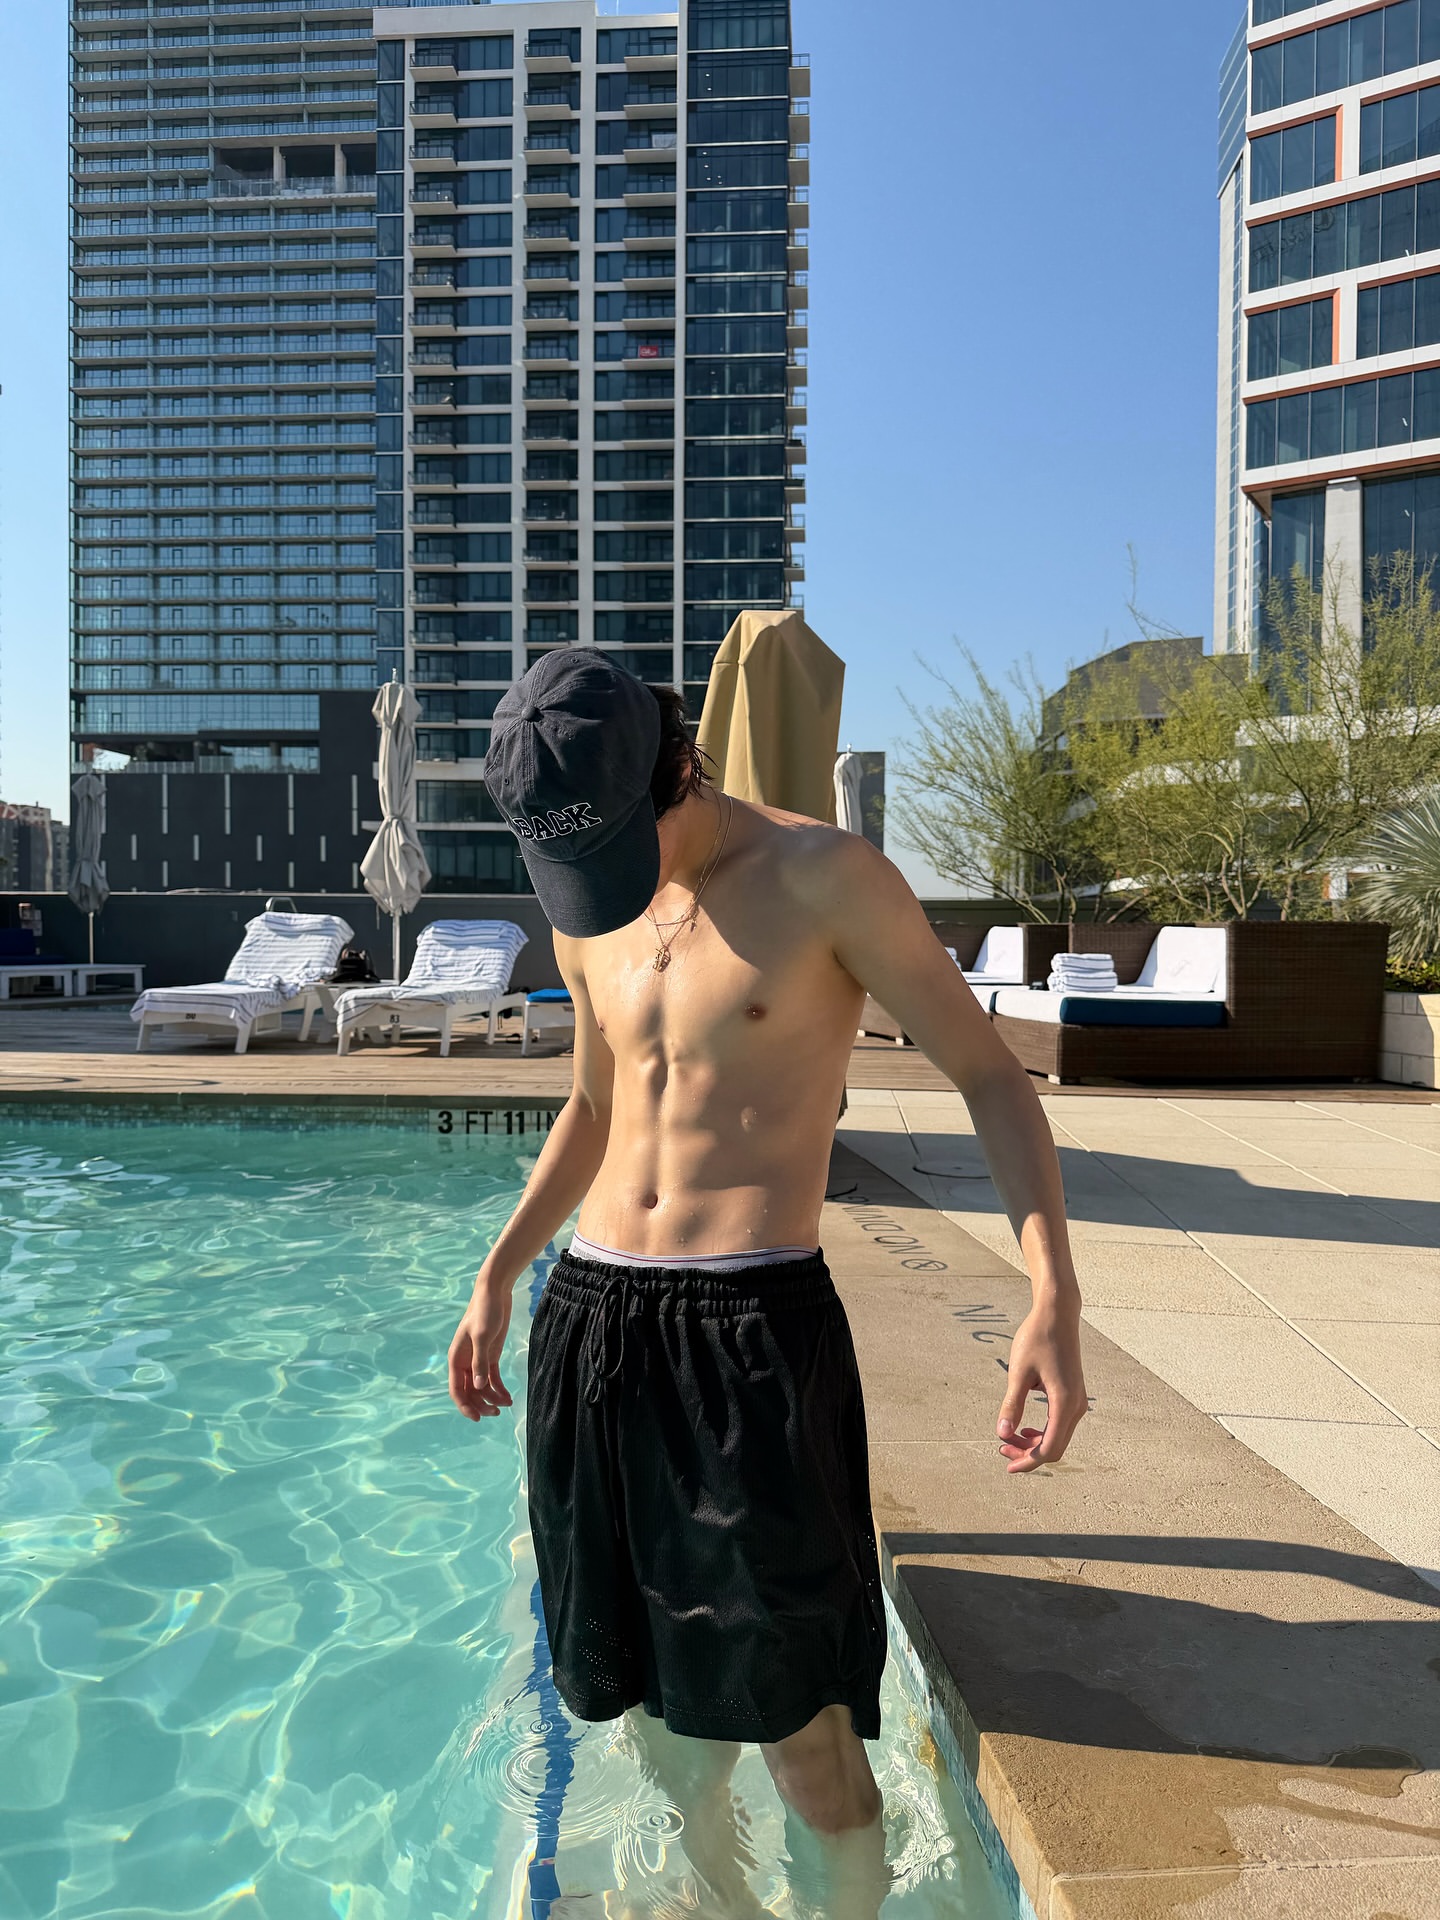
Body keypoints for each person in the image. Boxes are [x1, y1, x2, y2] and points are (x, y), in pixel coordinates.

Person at [448, 652, 1088, 1916]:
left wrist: (1052, 1294)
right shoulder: (591, 905)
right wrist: (501, 1270)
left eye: (620, 845)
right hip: (592, 1320)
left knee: (803, 1729)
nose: (605, 884)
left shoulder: (824, 878)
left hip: (748, 1333)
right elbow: (594, 1105)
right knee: (643, 1700)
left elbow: (989, 1076)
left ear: (677, 765)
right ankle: (720, 1901)